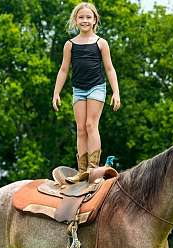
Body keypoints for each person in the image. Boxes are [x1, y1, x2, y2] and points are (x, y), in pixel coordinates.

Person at [52, 2, 121, 183]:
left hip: (97, 87)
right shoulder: (70, 45)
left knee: (91, 125)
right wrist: (56, 93)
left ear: (95, 20)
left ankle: (93, 168)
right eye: (81, 17)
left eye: (88, 17)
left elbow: (110, 68)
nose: (85, 20)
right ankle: (81, 170)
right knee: (81, 129)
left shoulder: (101, 43)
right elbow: (64, 70)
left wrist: (116, 92)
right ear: (76, 20)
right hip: (78, 89)